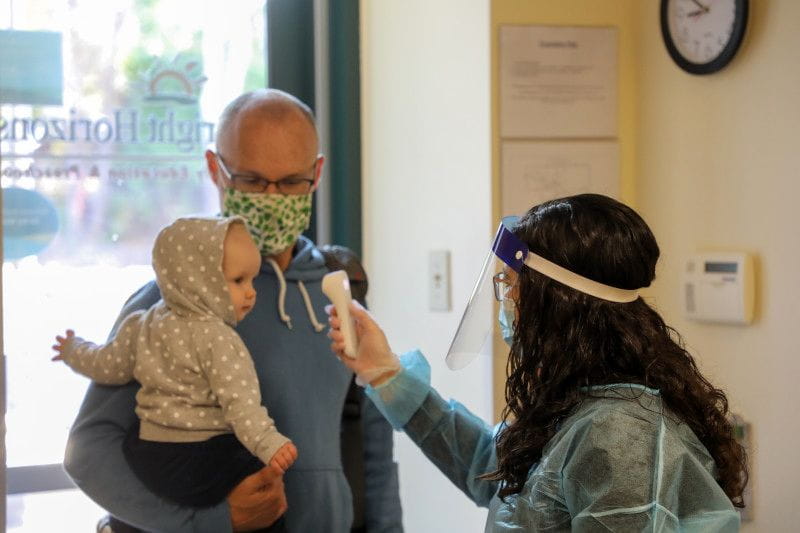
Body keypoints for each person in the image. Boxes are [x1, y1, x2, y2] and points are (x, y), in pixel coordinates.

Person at [64, 89, 402, 533]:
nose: (271, 196)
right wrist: (208, 523)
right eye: (251, 180)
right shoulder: (172, 303)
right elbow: (88, 450)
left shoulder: (339, 289)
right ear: (215, 170)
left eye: (290, 182)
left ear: (316, 174)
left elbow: (372, 446)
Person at [328, 194, 749, 531]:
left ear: (557, 303)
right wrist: (386, 374)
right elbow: (491, 468)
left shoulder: (622, 433)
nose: (506, 302)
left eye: (511, 285)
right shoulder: (578, 404)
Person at [54, 216, 298, 509]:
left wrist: (73, 349)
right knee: (267, 497)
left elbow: (106, 364)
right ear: (201, 279)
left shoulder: (142, 324)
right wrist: (269, 444)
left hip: (148, 456)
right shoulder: (219, 340)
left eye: (252, 279)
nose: (251, 292)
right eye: (238, 280)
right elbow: (242, 407)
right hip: (202, 458)